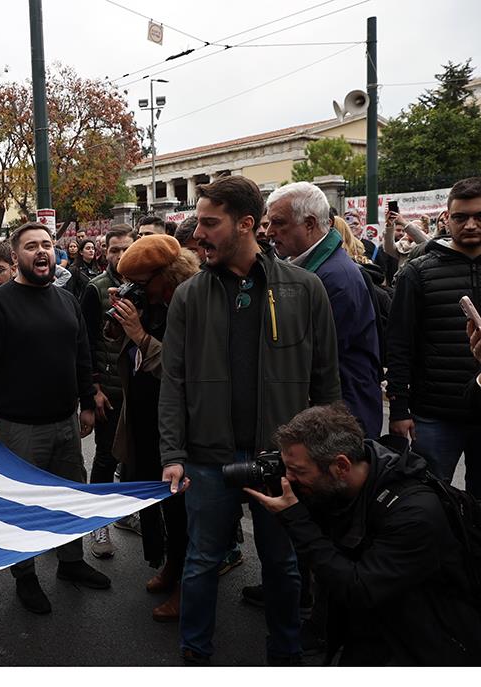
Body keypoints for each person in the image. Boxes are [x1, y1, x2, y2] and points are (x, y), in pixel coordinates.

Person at [158, 175, 341, 665]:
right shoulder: (188, 297)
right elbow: (172, 383)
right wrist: (173, 455)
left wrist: (321, 459)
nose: (198, 233)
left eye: (209, 223)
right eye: (198, 222)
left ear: (246, 225)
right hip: (205, 461)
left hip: (280, 462)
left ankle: (284, 656)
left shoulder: (306, 290)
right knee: (200, 562)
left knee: (283, 564)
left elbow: (326, 385)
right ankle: (195, 655)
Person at [247, 404, 481, 665]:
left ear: (341, 466)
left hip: (425, 643)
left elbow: (358, 588)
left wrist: (294, 517)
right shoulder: (351, 476)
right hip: (374, 623)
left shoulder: (414, 514)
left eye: (298, 471)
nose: (287, 479)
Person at [0, 221, 108, 614]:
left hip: (65, 422)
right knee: (22, 505)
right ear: (16, 257)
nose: (42, 251)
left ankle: (71, 563)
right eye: (31, 246)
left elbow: (82, 355)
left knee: (68, 498)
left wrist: (85, 402)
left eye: (47, 244)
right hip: (17, 428)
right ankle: (25, 576)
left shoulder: (67, 301)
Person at [109, 234, 200, 622]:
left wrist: (140, 336)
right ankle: (170, 567)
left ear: (167, 275)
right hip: (145, 419)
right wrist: (121, 318)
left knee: (184, 510)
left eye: (142, 284)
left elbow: (183, 373)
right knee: (161, 501)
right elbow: (120, 349)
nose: (139, 291)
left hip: (181, 426)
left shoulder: (190, 303)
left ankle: (187, 588)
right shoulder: (155, 301)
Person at [387, 177, 481, 498]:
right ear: (447, 217)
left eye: (479, 216)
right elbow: (399, 344)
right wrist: (399, 409)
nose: (470, 224)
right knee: (432, 501)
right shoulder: (418, 271)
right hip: (434, 415)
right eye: (461, 217)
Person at [265, 182, 382, 438]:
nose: (269, 232)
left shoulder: (334, 278)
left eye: (278, 223)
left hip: (342, 416)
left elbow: (316, 358)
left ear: (309, 224)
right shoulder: (318, 270)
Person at [79, 226, 135, 559]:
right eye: (113, 250)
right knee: (105, 456)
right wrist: (93, 389)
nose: (119, 255)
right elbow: (84, 343)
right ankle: (99, 525)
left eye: (125, 248)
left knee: (135, 458)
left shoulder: (146, 284)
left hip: (139, 387)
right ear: (105, 252)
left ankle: (127, 513)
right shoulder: (95, 289)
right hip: (109, 390)